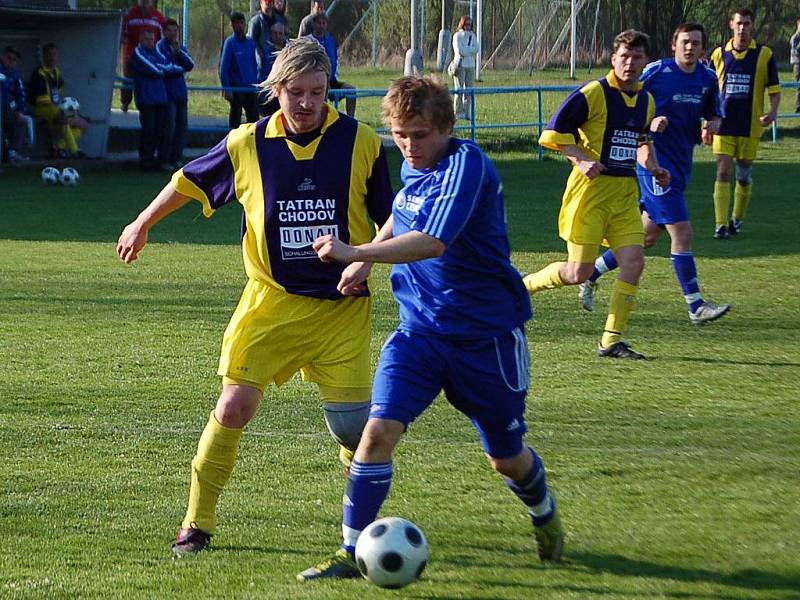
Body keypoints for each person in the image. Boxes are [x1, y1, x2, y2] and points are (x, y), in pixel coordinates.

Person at [116, 37, 393, 558]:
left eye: (318, 91)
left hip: (342, 312)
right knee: (234, 405)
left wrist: (367, 257)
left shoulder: (362, 142)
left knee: (356, 432)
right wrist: (142, 222)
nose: (308, 103)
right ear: (277, 89)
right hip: (270, 305)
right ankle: (196, 523)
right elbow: (187, 181)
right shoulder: (246, 143)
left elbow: (393, 217)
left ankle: (363, 536)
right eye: (296, 92)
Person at [298, 76, 565, 582]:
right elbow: (402, 217)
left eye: (419, 135)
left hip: (484, 338)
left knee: (506, 459)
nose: (408, 145)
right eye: (399, 134)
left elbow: (432, 241)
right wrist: (368, 263)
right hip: (419, 333)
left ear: (445, 127)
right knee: (375, 434)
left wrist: (354, 252)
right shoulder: (413, 163)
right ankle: (350, 551)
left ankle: (544, 513)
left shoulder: (467, 167)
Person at [522, 30, 669, 360]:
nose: (630, 63)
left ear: (646, 62)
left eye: (637, 58)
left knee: (634, 261)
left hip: (623, 195)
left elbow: (641, 143)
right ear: (613, 59)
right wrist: (580, 157)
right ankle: (522, 287)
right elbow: (552, 133)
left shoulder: (646, 101)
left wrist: (655, 167)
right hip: (589, 195)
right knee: (579, 274)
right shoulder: (594, 93)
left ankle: (610, 340)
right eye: (624, 57)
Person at [578, 24, 731, 326]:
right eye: (685, 42)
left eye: (696, 43)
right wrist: (650, 123)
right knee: (682, 232)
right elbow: (627, 100)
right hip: (653, 164)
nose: (690, 47)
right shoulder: (656, 71)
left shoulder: (708, 78)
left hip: (681, 165)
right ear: (674, 45)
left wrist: (712, 124)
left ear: (703, 49)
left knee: (646, 235)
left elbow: (714, 112)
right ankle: (695, 305)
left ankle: (592, 273)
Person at [707, 7, 780, 239]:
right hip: (723, 124)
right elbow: (708, 91)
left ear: (751, 26)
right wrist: (706, 122)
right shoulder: (718, 54)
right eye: (738, 23)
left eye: (746, 24)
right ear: (731, 24)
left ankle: (737, 219)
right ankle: (720, 224)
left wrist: (773, 112)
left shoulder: (764, 55)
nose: (742, 28)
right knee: (723, 170)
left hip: (750, 126)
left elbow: (775, 90)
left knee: (744, 174)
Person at [29, 42, 89, 159]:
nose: (52, 57)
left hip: (55, 108)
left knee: (85, 124)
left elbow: (60, 95)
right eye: (49, 54)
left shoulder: (57, 72)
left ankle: (59, 147)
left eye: (55, 54)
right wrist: (70, 118)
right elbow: (42, 100)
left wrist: (68, 112)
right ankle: (75, 151)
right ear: (44, 56)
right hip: (41, 108)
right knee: (64, 119)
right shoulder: (38, 73)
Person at [128, 29, 171, 170]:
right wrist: (163, 69)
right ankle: (146, 161)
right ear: (141, 39)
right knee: (149, 130)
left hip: (160, 98)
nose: (150, 42)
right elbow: (157, 70)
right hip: (146, 99)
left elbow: (167, 65)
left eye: (152, 39)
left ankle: (159, 160)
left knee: (160, 130)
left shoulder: (156, 52)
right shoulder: (138, 53)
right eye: (147, 39)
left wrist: (164, 68)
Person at [157, 18, 194, 169]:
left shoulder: (179, 48)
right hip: (167, 94)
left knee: (182, 127)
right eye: (170, 31)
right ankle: (164, 159)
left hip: (180, 93)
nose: (173, 34)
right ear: (164, 32)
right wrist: (180, 69)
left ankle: (176, 158)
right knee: (168, 127)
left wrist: (178, 53)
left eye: (175, 31)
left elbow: (190, 65)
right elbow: (165, 67)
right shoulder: (160, 47)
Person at [120, 0, 166, 113]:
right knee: (128, 80)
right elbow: (122, 36)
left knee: (148, 80)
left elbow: (162, 39)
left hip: (150, 58)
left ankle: (145, 105)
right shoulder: (130, 15)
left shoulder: (158, 17)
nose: (145, 2)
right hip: (131, 56)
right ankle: (125, 103)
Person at [309, 13, 356, 117]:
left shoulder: (330, 40)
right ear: (313, 24)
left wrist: (333, 77)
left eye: (324, 23)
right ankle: (323, 120)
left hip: (331, 80)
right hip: (315, 81)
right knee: (323, 93)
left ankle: (351, 119)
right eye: (319, 23)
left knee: (351, 90)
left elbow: (335, 60)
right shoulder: (308, 41)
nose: (321, 25)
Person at [220, 12, 260, 129]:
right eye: (236, 23)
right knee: (235, 118)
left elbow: (254, 63)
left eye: (241, 23)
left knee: (253, 119)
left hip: (250, 88)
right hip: (236, 88)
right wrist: (226, 88)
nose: (239, 26)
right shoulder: (230, 43)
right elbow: (224, 68)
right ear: (232, 25)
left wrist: (257, 82)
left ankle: (252, 144)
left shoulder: (250, 42)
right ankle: (232, 143)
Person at [0, 46, 33, 163]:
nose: (11, 61)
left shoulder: (15, 74)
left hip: (8, 111)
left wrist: (20, 110)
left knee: (21, 120)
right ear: (3, 57)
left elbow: (20, 94)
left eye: (14, 59)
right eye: (9, 58)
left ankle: (13, 152)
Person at [249, 0, 289, 80]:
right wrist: (260, 54)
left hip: (278, 59)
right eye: (266, 2)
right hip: (262, 63)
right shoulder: (256, 21)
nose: (268, 4)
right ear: (261, 3)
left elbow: (285, 37)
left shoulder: (280, 19)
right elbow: (251, 42)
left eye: (270, 2)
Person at [256, 21, 288, 117]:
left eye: (280, 33)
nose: (277, 36)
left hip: (286, 93)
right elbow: (261, 73)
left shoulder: (291, 50)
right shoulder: (264, 52)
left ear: (284, 34)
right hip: (269, 94)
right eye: (274, 33)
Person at [450, 15, 479, 120]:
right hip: (460, 65)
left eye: (470, 25)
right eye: (466, 24)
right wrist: (469, 50)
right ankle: (458, 112)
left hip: (470, 65)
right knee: (459, 89)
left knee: (469, 90)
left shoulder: (473, 35)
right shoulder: (457, 36)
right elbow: (459, 51)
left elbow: (476, 49)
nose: (468, 26)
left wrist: (467, 50)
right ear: (462, 24)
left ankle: (467, 112)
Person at [789, 19, 800, 114]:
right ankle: (798, 106)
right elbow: (796, 49)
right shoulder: (795, 37)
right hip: (798, 64)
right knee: (799, 85)